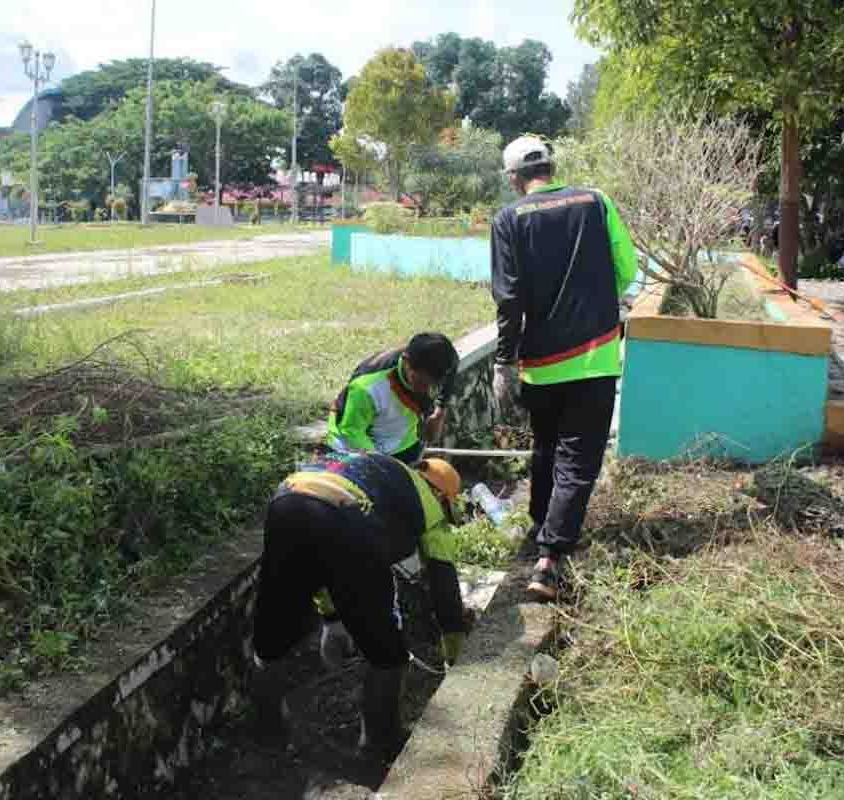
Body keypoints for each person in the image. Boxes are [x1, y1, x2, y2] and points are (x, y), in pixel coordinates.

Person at [488, 135, 638, 602]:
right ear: (551, 168)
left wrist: (503, 364)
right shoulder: (597, 202)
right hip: (595, 358)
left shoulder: (508, 219)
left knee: (548, 450)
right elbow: (628, 268)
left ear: (515, 178)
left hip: (541, 365)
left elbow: (508, 298)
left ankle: (541, 532)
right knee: (577, 461)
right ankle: (551, 557)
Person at [249, 452, 468, 754]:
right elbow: (443, 582)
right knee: (387, 656)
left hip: (287, 500)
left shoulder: (377, 467)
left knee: (270, 641)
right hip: (346, 514)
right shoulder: (428, 501)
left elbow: (322, 560)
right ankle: (380, 744)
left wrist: (332, 618)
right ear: (440, 495)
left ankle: (268, 734)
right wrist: (456, 654)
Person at [326, 333, 459, 463]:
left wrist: (440, 410)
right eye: (420, 382)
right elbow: (351, 431)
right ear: (406, 362)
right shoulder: (367, 386)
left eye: (433, 385)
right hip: (356, 446)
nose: (425, 390)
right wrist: (381, 463)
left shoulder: (444, 364)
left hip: (402, 439)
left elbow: (450, 371)